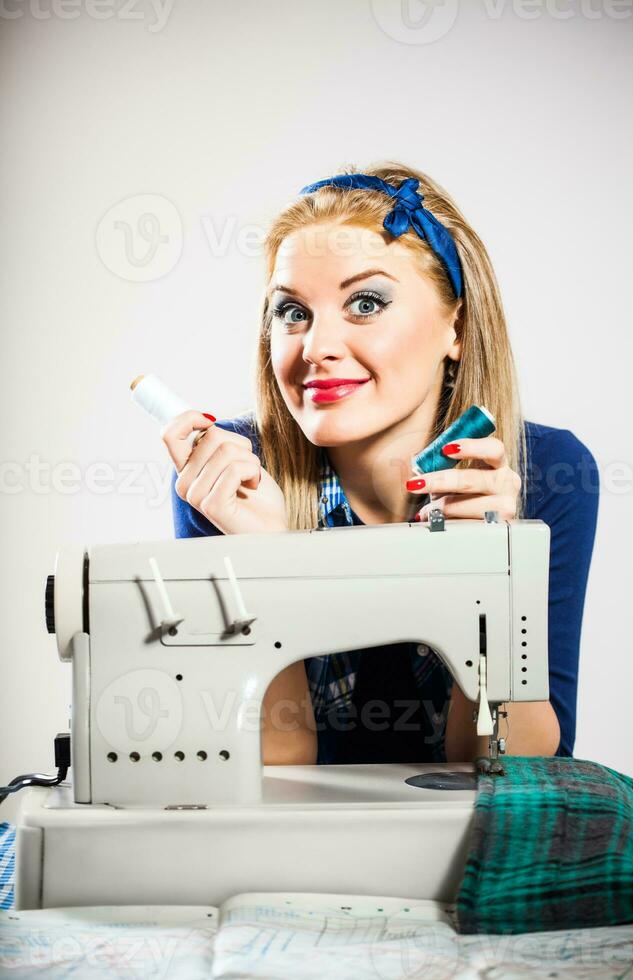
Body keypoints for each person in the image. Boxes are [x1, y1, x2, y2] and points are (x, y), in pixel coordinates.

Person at [165, 162, 599, 768]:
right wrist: (268, 561)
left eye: (364, 303)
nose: (315, 348)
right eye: (292, 312)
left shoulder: (548, 469)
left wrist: (492, 581)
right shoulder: (230, 475)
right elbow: (268, 771)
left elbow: (512, 768)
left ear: (458, 327)